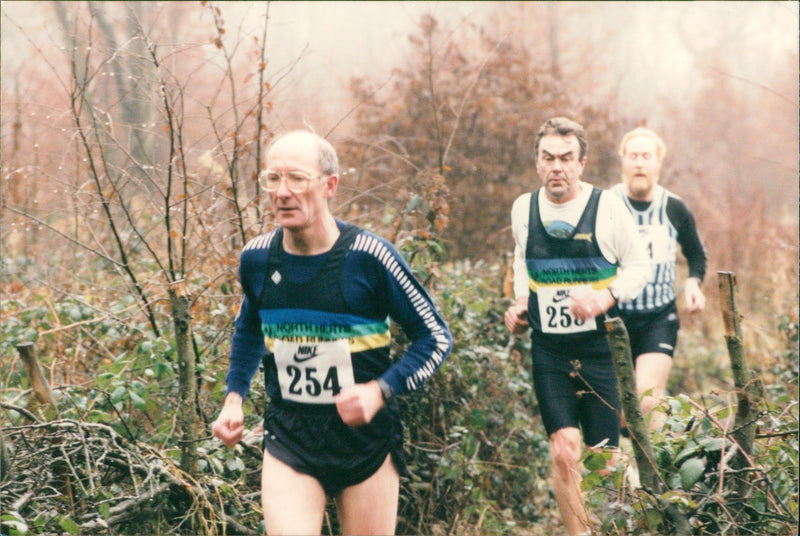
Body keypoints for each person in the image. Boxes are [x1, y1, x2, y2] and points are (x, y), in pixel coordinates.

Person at [212, 130, 453, 535]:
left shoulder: (370, 257)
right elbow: (249, 328)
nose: (283, 192)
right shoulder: (256, 258)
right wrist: (233, 398)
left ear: (329, 185)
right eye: (273, 179)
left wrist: (379, 391)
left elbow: (435, 338)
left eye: (297, 179)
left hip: (365, 445)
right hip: (290, 438)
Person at [504, 117, 649, 536]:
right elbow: (520, 259)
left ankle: (624, 525)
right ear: (537, 162)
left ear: (582, 163)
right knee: (564, 451)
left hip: (601, 350)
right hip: (550, 350)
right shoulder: (522, 208)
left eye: (566, 158)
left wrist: (604, 298)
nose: (557, 168)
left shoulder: (606, 208)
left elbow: (640, 265)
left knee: (603, 460)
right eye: (548, 158)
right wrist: (520, 304)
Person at [612, 127, 707, 430]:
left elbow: (696, 254)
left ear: (658, 163)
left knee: (647, 400)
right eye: (633, 156)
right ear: (623, 162)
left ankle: (655, 475)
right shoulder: (605, 204)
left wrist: (693, 282)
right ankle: (622, 473)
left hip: (658, 318)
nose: (639, 163)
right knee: (618, 412)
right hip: (613, 317)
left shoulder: (674, 207)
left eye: (646, 156)